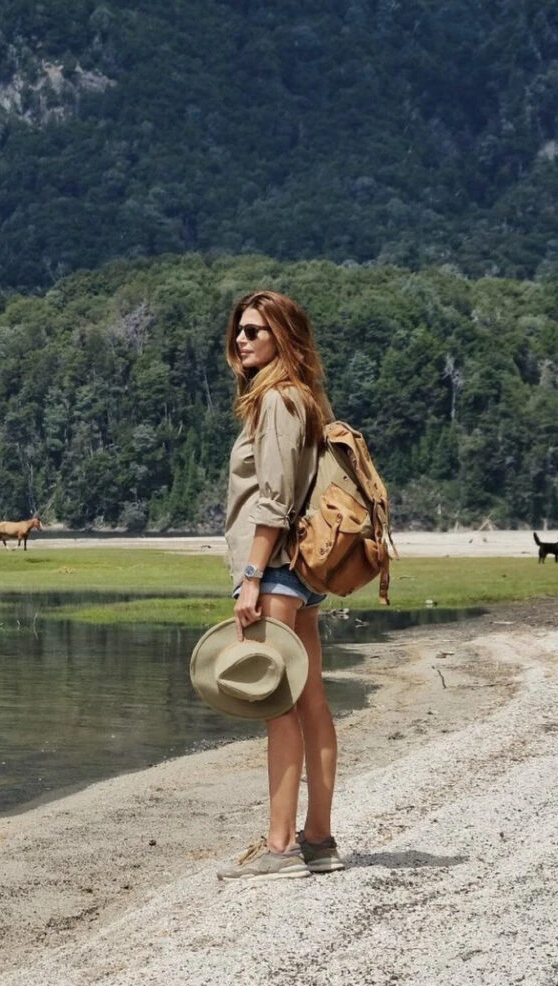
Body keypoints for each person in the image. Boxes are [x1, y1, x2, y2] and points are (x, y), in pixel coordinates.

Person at [217, 290, 345, 879]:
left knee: (277, 705)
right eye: (239, 331)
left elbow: (272, 503)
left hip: (275, 570)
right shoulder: (303, 399)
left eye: (255, 332)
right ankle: (318, 841)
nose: (242, 340)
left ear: (283, 339)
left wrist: (249, 577)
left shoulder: (277, 402)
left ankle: (279, 848)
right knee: (311, 703)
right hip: (300, 571)